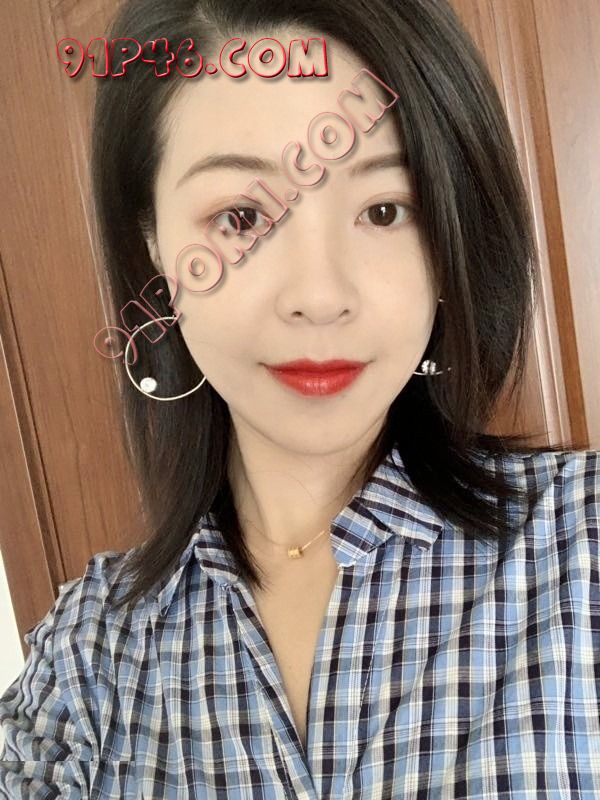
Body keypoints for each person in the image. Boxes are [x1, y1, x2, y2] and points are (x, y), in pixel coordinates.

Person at [1, 0, 599, 797]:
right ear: (154, 248)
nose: (320, 297)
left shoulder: (582, 550)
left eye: (385, 210)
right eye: (242, 216)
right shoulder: (86, 659)